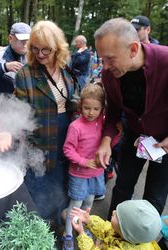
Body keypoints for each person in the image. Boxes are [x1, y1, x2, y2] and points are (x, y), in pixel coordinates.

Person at [94, 18, 168, 218]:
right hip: (134, 135)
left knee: (155, 196)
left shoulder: (165, 61)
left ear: (133, 49)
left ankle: (141, 244)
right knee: (122, 188)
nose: (106, 67)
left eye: (110, 59)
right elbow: (114, 112)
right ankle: (112, 237)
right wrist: (106, 141)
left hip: (164, 142)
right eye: (102, 60)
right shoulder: (109, 75)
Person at [15, 20, 74, 227]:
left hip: (66, 134)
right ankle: (39, 231)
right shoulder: (25, 74)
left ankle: (60, 224)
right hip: (39, 137)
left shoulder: (66, 67)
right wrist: (8, 130)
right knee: (39, 186)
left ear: (57, 47)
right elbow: (20, 111)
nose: (40, 54)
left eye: (46, 50)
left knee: (62, 182)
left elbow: (71, 101)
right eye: (35, 49)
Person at [61, 83, 107, 249]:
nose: (91, 112)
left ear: (102, 108)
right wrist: (83, 161)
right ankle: (67, 234)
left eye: (96, 108)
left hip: (96, 173)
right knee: (75, 207)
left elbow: (107, 144)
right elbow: (67, 149)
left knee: (88, 205)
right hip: (79, 174)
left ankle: (82, 228)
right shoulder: (75, 127)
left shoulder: (103, 123)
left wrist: (117, 134)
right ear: (80, 106)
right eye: (87, 108)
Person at [70, 200, 162, 249]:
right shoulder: (132, 237)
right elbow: (106, 228)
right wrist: (89, 220)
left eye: (117, 217)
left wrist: (82, 234)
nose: (113, 212)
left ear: (126, 232)